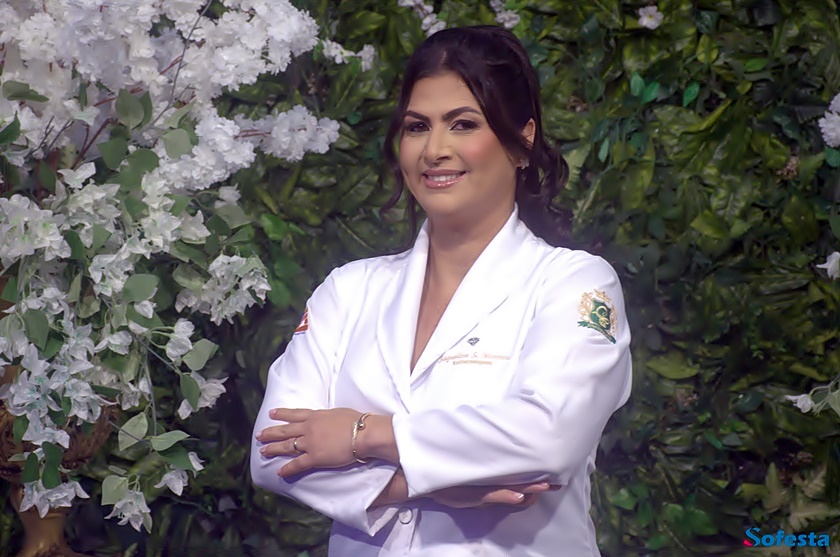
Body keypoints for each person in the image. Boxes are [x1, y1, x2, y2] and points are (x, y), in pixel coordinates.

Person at [251, 25, 632, 557]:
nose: (434, 149)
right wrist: (430, 484)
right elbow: (271, 454)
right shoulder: (350, 290)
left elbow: (547, 438)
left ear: (522, 141)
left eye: (463, 124)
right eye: (417, 126)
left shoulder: (574, 283)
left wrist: (363, 434)